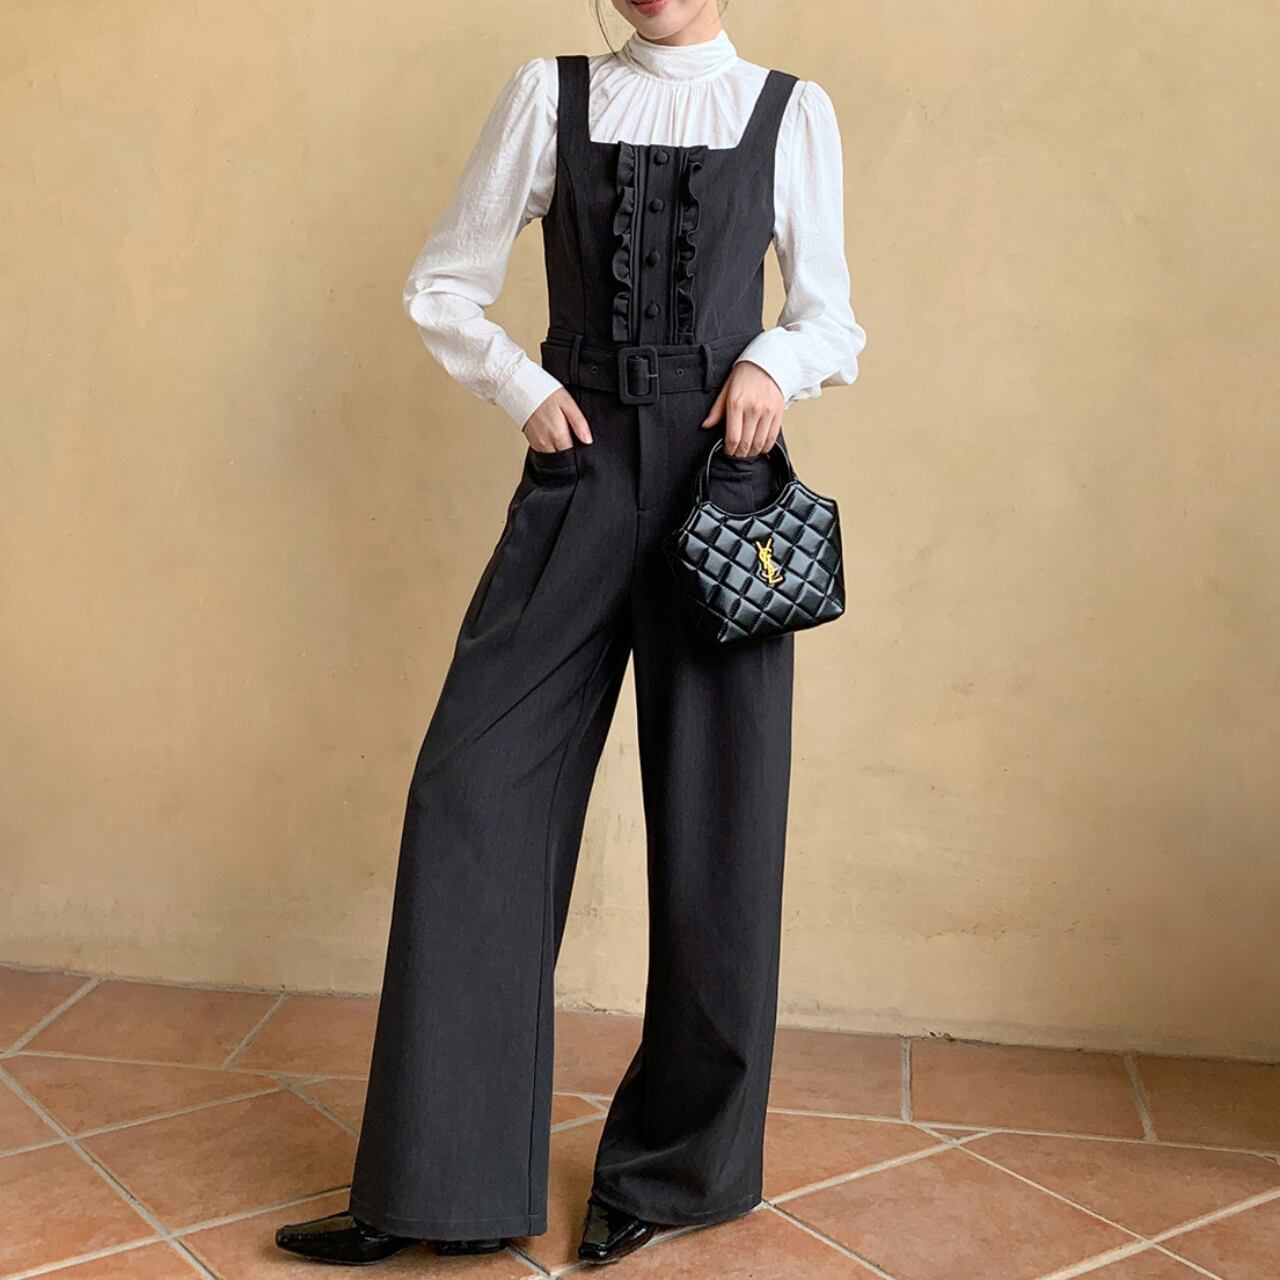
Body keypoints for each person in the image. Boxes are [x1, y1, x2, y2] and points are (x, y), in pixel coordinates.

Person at [275, 0, 866, 1267]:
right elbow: (444, 282)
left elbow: (831, 314)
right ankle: (435, 1182)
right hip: (580, 472)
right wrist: (524, 387)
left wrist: (769, 364)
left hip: (719, 487)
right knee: (470, 794)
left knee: (718, 829)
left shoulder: (786, 112)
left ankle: (674, 1172)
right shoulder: (549, 97)